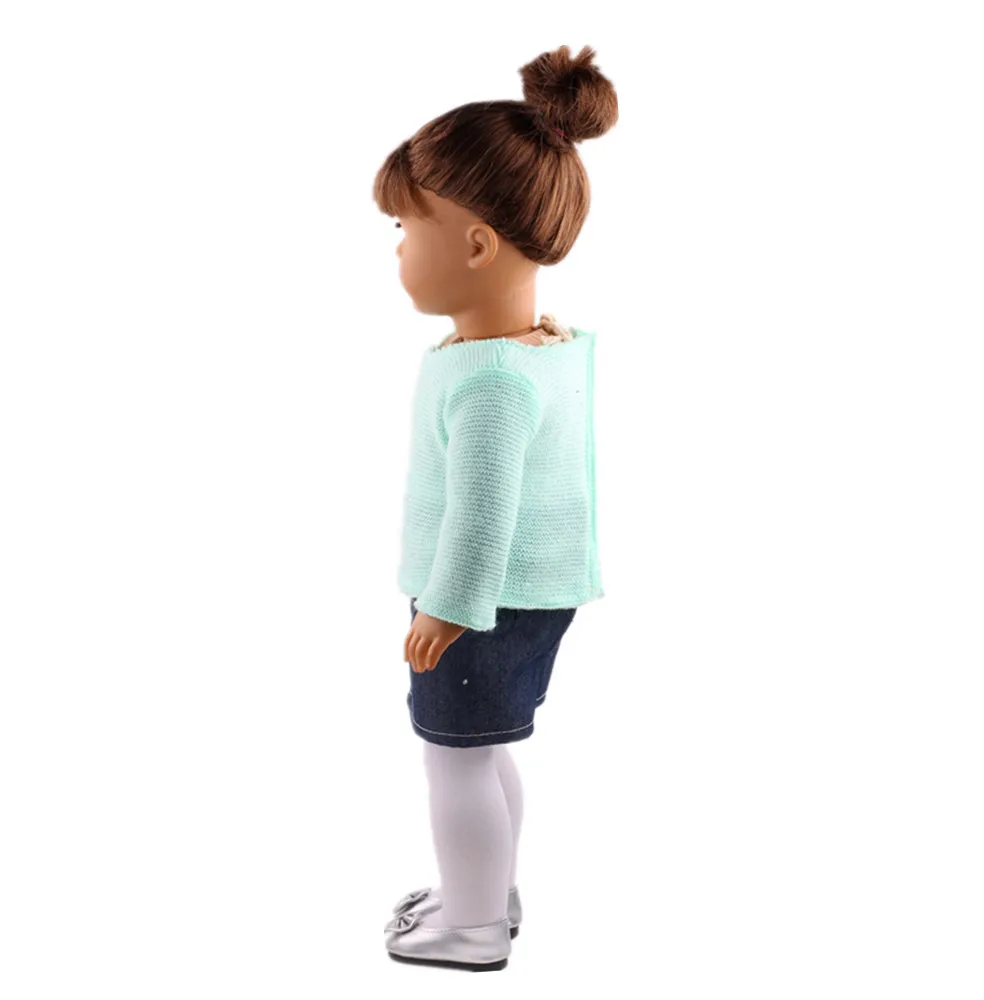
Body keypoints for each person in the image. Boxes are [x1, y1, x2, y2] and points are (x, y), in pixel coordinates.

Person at [372, 43, 618, 972]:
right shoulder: (537, 349)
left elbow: (482, 516)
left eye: (407, 226)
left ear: (475, 245)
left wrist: (446, 609)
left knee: (455, 756)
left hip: (484, 599)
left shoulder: (492, 383)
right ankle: (484, 892)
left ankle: (471, 924)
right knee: (480, 748)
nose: (399, 248)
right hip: (521, 594)